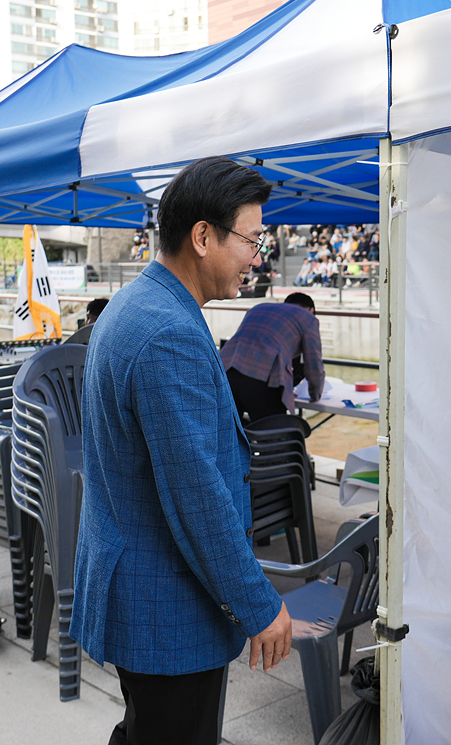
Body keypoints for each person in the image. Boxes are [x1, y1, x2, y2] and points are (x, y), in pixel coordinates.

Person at [72, 156, 292, 745]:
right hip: (165, 605)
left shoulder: (140, 304)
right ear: (202, 237)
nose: (256, 256)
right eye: (251, 238)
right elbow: (197, 496)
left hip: (144, 591)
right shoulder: (167, 331)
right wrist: (260, 605)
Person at [220, 292, 325, 423]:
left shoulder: (259, 307)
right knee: (273, 438)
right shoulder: (309, 318)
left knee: (232, 434)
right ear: (312, 310)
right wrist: (315, 393)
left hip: (225, 372)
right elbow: (313, 363)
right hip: (261, 381)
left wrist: (284, 388)